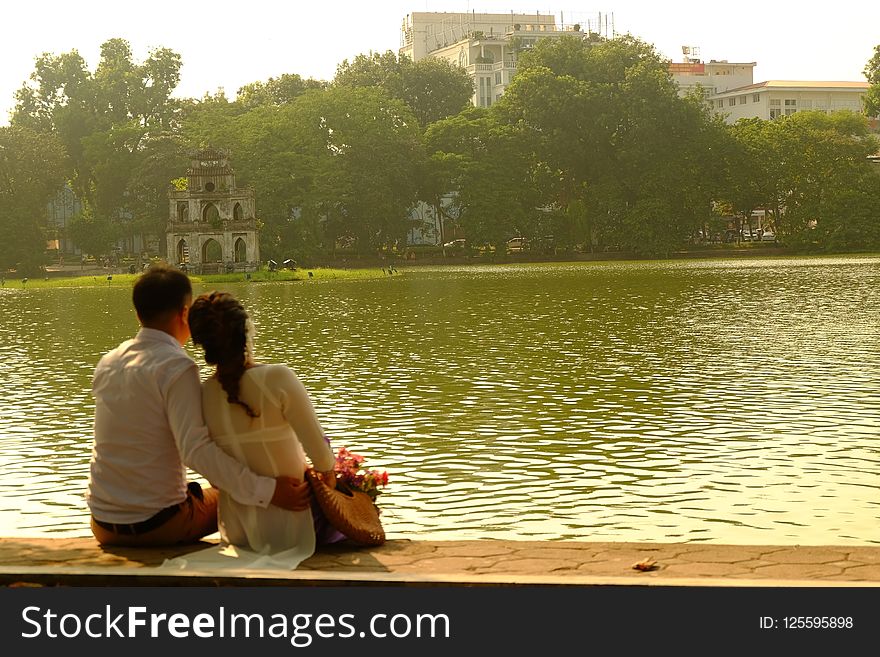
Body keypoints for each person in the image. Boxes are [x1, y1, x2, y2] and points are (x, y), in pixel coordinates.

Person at [86, 264, 310, 547]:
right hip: (156, 524)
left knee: (228, 486)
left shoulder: (108, 362)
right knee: (239, 496)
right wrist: (271, 491)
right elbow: (195, 451)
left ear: (138, 313)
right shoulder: (176, 366)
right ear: (184, 314)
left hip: (102, 523)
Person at [187, 291, 340, 564]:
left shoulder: (200, 395)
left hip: (238, 532)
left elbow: (215, 477)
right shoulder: (278, 377)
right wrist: (328, 486)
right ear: (245, 332)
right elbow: (322, 458)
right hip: (297, 528)